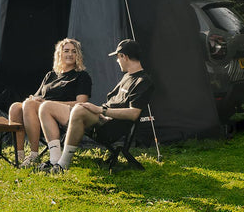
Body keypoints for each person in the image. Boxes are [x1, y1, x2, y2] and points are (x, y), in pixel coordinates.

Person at [37, 38, 153, 174]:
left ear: (124, 56)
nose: (117, 61)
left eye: (118, 57)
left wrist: (101, 110)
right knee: (46, 107)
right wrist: (98, 111)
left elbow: (134, 113)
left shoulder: (143, 81)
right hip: (101, 118)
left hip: (111, 126)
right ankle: (54, 160)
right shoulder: (127, 76)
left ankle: (62, 165)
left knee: (80, 108)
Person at [8, 38, 92, 168]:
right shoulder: (51, 75)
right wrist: (32, 99)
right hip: (40, 114)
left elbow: (81, 103)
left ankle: (34, 155)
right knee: (15, 107)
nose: (70, 54)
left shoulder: (81, 76)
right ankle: (19, 155)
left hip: (63, 115)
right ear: (60, 54)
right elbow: (37, 96)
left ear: (78, 55)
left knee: (30, 105)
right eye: (66, 51)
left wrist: (47, 102)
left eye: (73, 51)